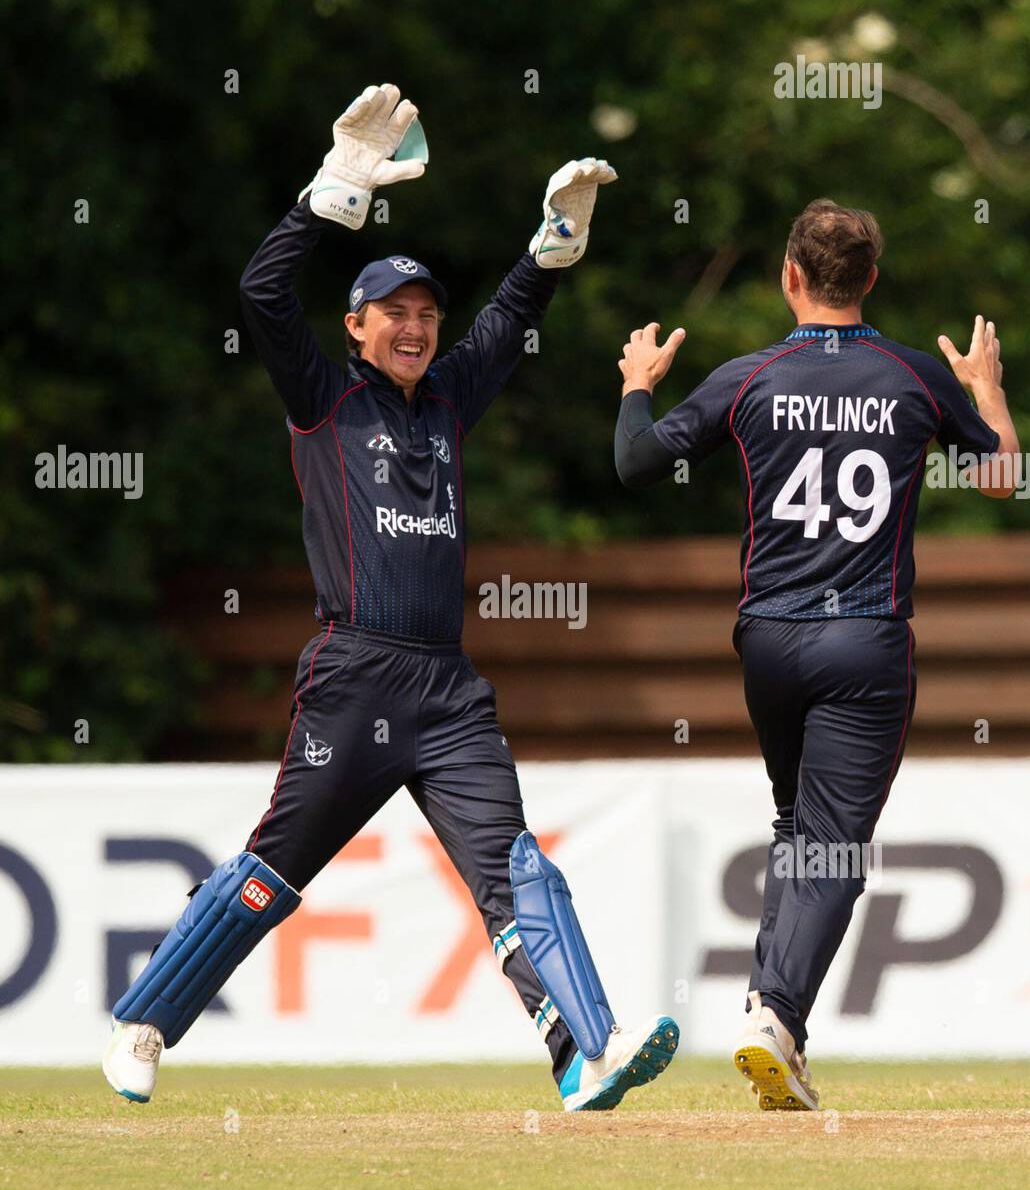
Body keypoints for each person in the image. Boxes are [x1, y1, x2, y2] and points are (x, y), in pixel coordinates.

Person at [102, 85, 679, 1111]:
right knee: (275, 871)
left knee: (513, 870)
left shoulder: (448, 402)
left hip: (448, 691)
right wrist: (332, 196)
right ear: (358, 326)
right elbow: (263, 294)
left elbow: (510, 319)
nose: (415, 328)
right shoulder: (323, 398)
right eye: (394, 314)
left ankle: (589, 1050)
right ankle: (145, 1018)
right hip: (353, 674)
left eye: (426, 315)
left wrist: (551, 245)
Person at [614, 198, 1018, 1110]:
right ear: (870, 280)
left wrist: (638, 380)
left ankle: (774, 1017)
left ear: (789, 277)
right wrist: (987, 389)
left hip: (766, 639)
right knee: (834, 845)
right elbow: (1001, 473)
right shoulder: (913, 377)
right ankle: (778, 1015)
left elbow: (636, 462)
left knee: (798, 827)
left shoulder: (748, 377)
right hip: (863, 641)